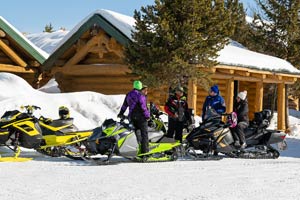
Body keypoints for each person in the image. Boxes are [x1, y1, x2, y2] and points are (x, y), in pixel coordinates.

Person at [117, 80, 150, 154]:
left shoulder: (128, 94)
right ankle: (145, 153)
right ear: (140, 87)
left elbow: (124, 105)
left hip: (131, 117)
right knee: (144, 134)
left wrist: (121, 113)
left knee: (135, 134)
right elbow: (143, 107)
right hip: (141, 117)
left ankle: (136, 150)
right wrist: (147, 116)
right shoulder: (140, 95)